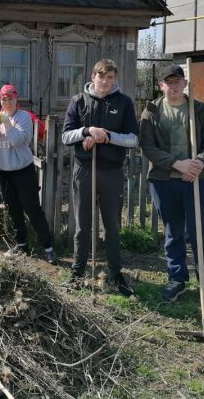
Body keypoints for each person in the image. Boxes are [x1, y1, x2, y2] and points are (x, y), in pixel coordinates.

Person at [139, 64, 204, 311]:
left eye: (177, 81)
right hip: (164, 181)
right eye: (168, 82)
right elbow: (148, 147)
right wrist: (177, 164)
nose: (173, 86)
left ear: (185, 84)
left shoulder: (198, 110)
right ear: (161, 85)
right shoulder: (151, 112)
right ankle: (177, 279)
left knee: (201, 233)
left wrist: (199, 163)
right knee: (173, 232)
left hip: (195, 180)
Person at [61, 59, 138, 295]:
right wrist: (86, 131)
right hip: (84, 170)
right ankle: (77, 271)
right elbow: (66, 136)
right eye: (102, 76)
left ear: (114, 79)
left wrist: (106, 135)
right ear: (93, 76)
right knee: (82, 225)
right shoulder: (78, 101)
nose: (105, 81)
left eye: (110, 78)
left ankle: (116, 273)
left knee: (112, 225)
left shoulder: (124, 103)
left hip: (112, 171)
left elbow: (133, 139)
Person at [0, 84, 58, 265]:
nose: (7, 102)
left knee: (32, 209)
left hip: (23, 170)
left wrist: (7, 123)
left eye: (10, 98)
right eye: (3, 99)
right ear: (0, 100)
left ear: (16, 99)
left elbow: (17, 141)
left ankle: (48, 247)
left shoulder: (24, 118)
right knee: (13, 210)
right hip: (4, 171)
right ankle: (21, 244)